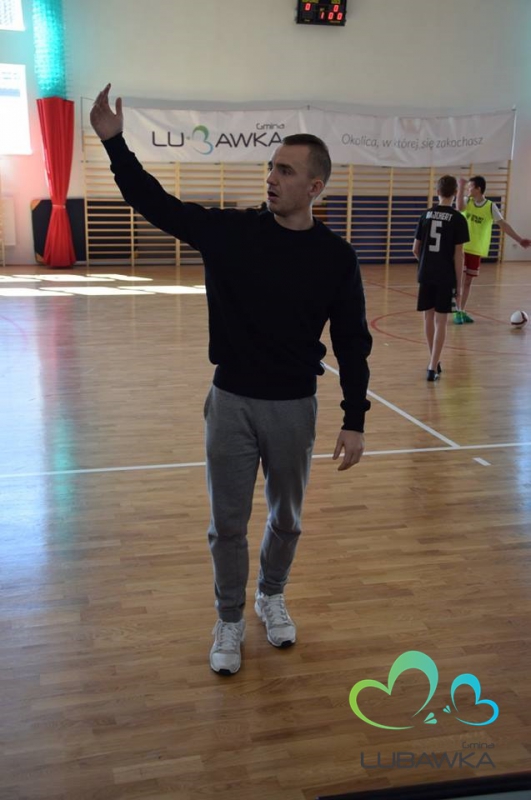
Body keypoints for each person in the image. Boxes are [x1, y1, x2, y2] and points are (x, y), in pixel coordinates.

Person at [90, 84, 372, 675]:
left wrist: (354, 419)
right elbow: (155, 203)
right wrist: (114, 143)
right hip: (231, 402)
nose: (271, 177)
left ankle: (271, 595)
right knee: (226, 526)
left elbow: (352, 342)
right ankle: (229, 618)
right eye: (271, 166)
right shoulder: (231, 234)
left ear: (314, 186)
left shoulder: (336, 258)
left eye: (286, 171)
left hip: (294, 407)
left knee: (286, 519)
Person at [413, 175, 469, 381]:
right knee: (441, 321)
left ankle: (433, 361)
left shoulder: (425, 215)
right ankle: (432, 366)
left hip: (426, 273)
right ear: (455, 193)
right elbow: (458, 256)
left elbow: (415, 249)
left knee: (428, 317)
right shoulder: (458, 219)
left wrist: (426, 263)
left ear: (437, 192)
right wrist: (459, 286)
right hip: (445, 275)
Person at [455, 175, 530, 324]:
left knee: (468, 282)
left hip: (476, 249)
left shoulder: (490, 206)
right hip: (461, 247)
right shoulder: (467, 201)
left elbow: (503, 224)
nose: (469, 189)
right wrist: (461, 187)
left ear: (478, 189)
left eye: (470, 187)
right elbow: (459, 208)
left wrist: (519, 239)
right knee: (459, 281)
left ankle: (461, 310)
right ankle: (456, 311)